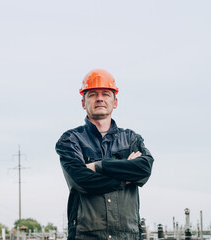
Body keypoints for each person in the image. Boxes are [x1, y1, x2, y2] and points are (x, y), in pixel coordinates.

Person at [55, 69, 154, 240]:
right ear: (83, 102)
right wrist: (126, 177)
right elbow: (82, 180)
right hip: (86, 236)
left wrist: (97, 166)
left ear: (115, 102)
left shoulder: (131, 139)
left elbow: (144, 168)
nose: (99, 98)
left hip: (128, 236)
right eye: (92, 94)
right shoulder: (70, 140)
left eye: (106, 94)